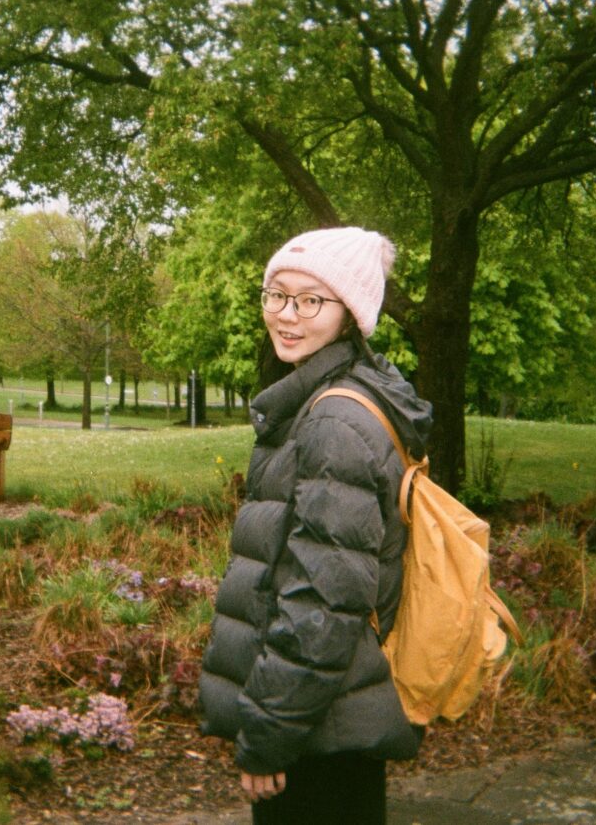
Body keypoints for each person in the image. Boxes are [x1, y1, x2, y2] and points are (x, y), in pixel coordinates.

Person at [199, 226, 432, 825]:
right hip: (331, 714)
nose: (286, 315)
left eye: (311, 301)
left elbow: (322, 604)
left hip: (316, 729)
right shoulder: (336, 396)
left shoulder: (333, 424)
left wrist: (269, 733)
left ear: (350, 314)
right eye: (276, 294)